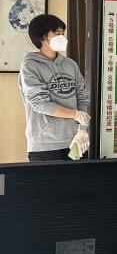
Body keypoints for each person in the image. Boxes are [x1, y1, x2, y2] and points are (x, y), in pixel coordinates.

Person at [18, 14, 90, 161]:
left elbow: (82, 97)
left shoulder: (70, 65)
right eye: (58, 34)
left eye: (63, 33)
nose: (63, 38)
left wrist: (82, 130)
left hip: (74, 141)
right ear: (44, 37)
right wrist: (75, 114)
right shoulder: (30, 66)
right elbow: (40, 103)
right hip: (45, 146)